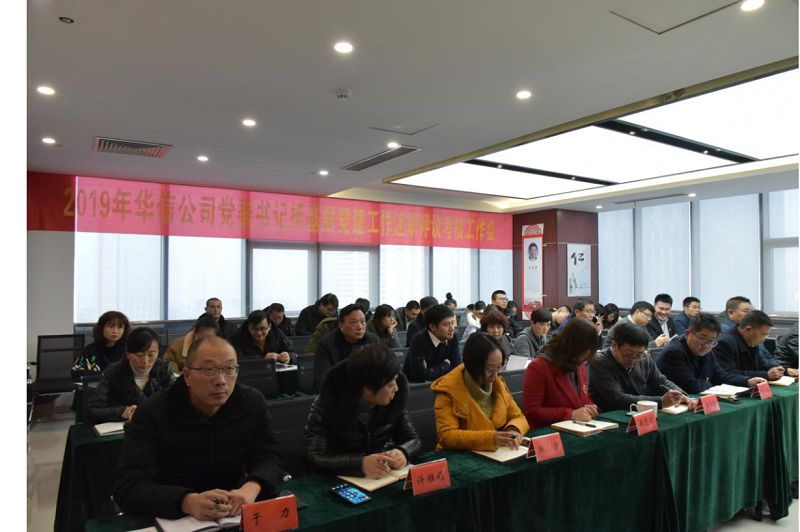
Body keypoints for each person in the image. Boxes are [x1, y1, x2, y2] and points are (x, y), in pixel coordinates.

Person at [115, 336, 285, 520]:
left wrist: (251, 488)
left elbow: (271, 456)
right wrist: (187, 501)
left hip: (234, 510)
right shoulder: (153, 412)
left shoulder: (250, 402)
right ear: (187, 376)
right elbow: (130, 486)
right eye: (209, 370)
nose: (221, 380)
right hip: (175, 516)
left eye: (229, 369)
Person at [304, 344, 421, 478]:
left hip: (383, 474)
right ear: (367, 389)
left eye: (395, 380)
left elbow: (413, 439)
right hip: (341, 479)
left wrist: (403, 452)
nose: (396, 388)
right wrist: (360, 464)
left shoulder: (394, 400)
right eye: (389, 384)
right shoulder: (327, 404)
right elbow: (314, 457)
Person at [432, 333, 529, 451]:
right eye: (489, 369)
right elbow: (447, 436)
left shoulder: (498, 384)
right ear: (473, 365)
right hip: (458, 455)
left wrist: (514, 430)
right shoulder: (448, 390)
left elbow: (518, 416)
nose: (495, 375)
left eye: (499, 367)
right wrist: (490, 439)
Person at [588, 321, 694, 413]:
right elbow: (617, 398)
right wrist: (661, 401)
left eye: (639, 355)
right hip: (609, 416)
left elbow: (661, 381)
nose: (633, 359)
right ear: (614, 345)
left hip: (638, 413)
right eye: (628, 355)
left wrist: (680, 394)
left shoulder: (644, 357)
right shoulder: (599, 361)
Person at [656, 313, 766, 394]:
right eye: (702, 338)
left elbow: (721, 376)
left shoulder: (707, 350)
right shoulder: (674, 352)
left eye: (712, 341)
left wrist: (747, 381)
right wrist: (711, 383)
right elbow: (691, 386)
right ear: (688, 333)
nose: (706, 345)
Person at [87, 327, 174, 424]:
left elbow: (177, 402)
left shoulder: (164, 369)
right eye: (139, 355)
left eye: (151, 355)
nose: (145, 361)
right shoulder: (114, 372)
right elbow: (93, 410)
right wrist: (123, 412)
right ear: (128, 354)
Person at [522, 319, 599, 428]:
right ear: (573, 347)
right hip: (548, 431)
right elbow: (532, 412)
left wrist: (589, 407)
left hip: (579, 428)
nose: (585, 358)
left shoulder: (580, 364)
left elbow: (582, 399)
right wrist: (571, 414)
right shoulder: (539, 367)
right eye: (584, 352)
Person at [313, 304, 379, 391]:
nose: (360, 327)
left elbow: (380, 371)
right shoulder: (326, 344)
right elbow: (322, 382)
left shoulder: (373, 340)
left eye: (363, 322)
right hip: (339, 393)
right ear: (341, 325)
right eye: (354, 323)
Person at [713, 310, 795, 379]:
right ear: (748, 329)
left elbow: (761, 365)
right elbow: (729, 373)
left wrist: (784, 371)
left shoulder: (751, 340)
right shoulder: (724, 343)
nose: (763, 339)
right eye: (763, 334)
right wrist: (766, 375)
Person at [404, 304, 461, 383]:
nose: (452, 328)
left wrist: (432, 371)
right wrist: (446, 365)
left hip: (444, 383)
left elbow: (457, 369)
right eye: (446, 324)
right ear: (432, 327)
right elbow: (420, 375)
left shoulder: (452, 337)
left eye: (452, 323)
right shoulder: (419, 340)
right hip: (418, 386)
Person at [71, 310, 131, 379]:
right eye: (111, 326)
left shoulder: (129, 349)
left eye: (120, 327)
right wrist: (105, 374)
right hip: (97, 385)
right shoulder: (90, 350)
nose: (115, 331)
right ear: (101, 328)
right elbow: (76, 372)